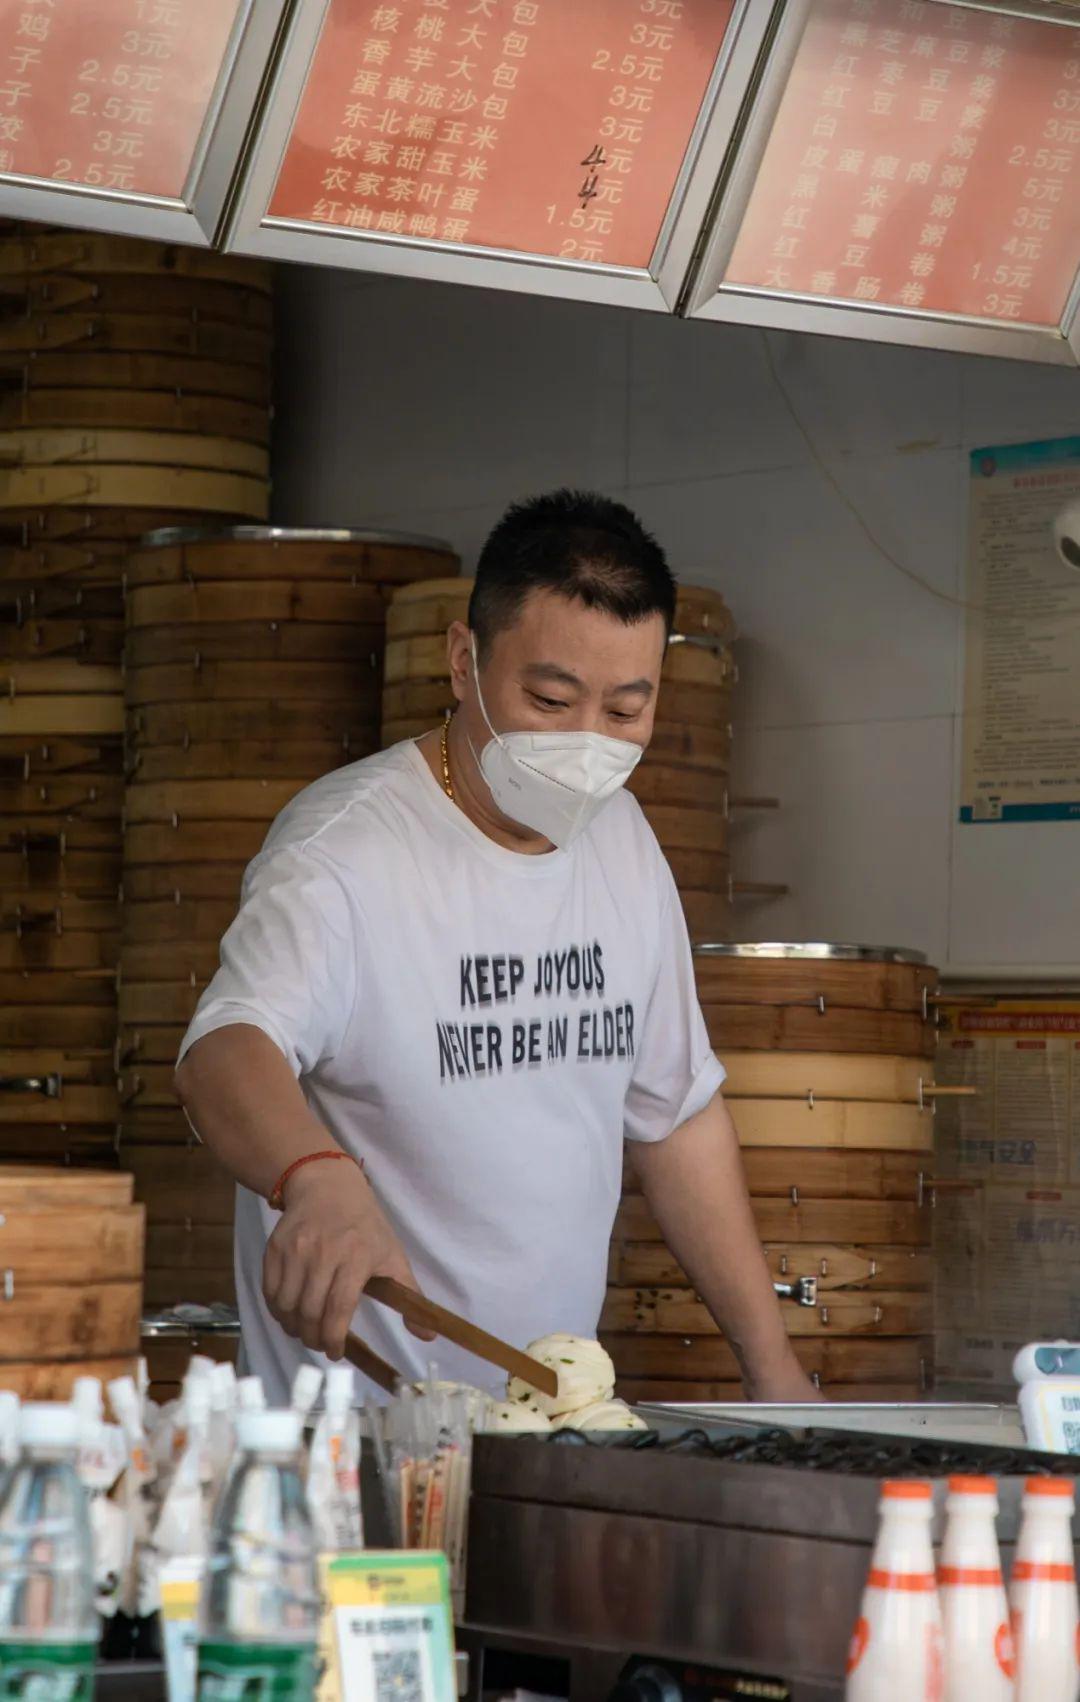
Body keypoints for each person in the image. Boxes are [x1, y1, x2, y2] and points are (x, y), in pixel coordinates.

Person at [174, 490, 820, 1405]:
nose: (586, 744)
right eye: (550, 699)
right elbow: (224, 1050)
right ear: (463, 660)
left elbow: (673, 1116)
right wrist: (315, 1178)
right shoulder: (344, 852)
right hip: (360, 1435)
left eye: (625, 710)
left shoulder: (624, 841)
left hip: (541, 1429)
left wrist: (773, 1365)